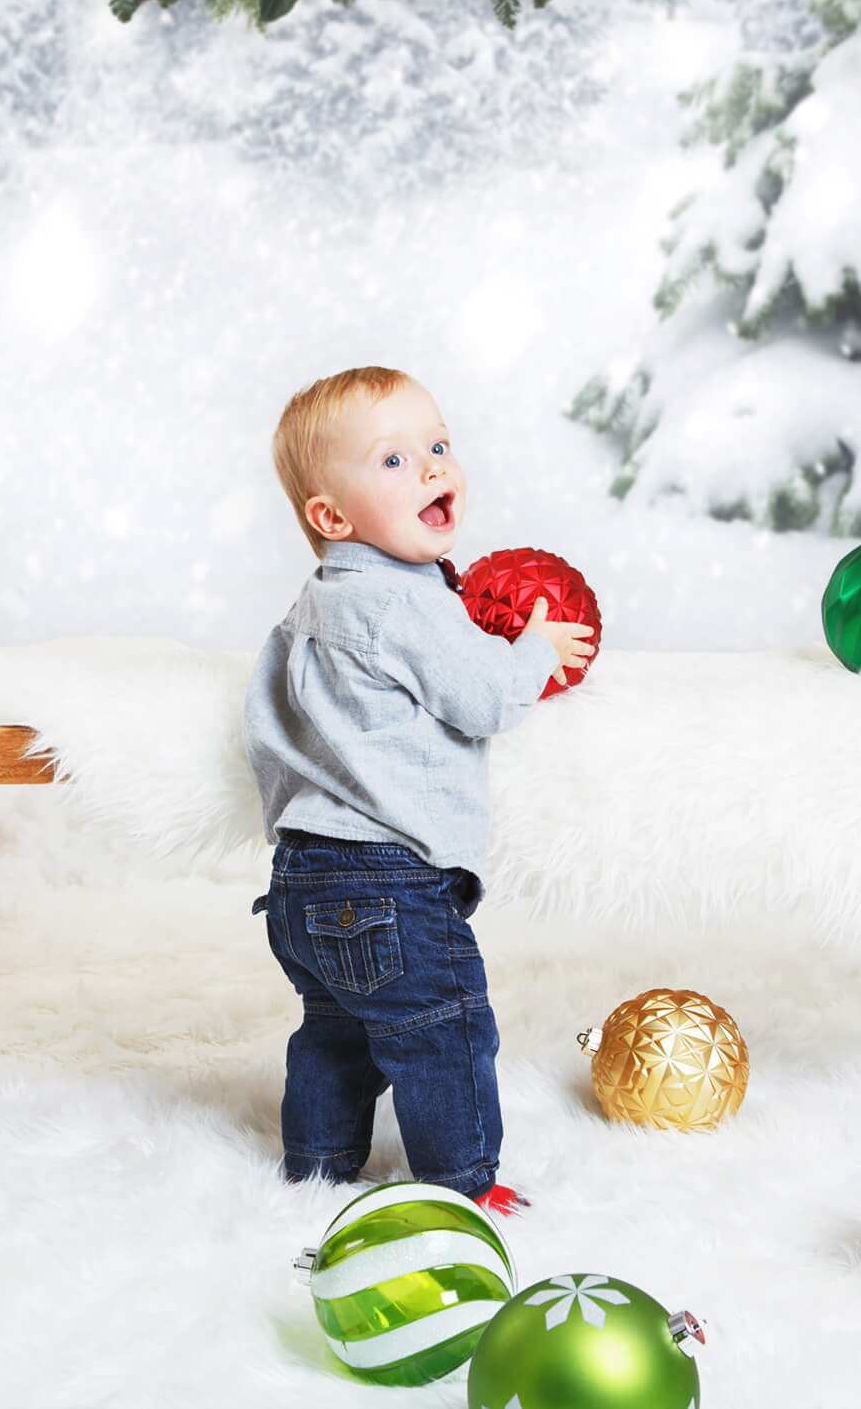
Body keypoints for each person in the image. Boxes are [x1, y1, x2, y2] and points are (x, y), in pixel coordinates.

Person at [244, 366, 595, 1217]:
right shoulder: (405, 607)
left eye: (439, 446)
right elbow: (483, 698)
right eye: (395, 461)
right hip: (390, 883)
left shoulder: (309, 611)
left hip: (302, 878)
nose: (435, 467)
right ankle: (463, 1184)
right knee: (445, 1032)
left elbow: (266, 730)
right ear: (330, 516)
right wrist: (538, 650)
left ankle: (318, 1167)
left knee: (336, 1033)